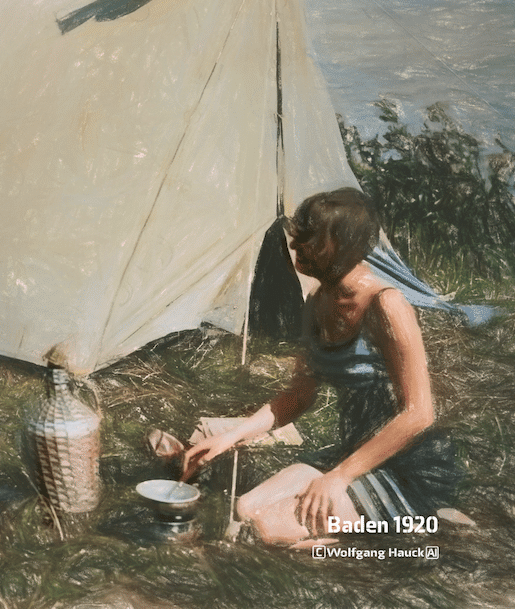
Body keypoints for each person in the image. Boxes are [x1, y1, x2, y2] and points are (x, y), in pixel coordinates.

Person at [182, 188, 462, 546]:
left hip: (407, 466)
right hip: (354, 450)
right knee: (248, 509)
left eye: (311, 241)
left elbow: (420, 414)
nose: (298, 249)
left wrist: (339, 477)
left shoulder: (387, 305)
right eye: (299, 240)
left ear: (345, 245)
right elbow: (298, 396)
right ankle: (339, 531)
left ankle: (402, 527)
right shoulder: (316, 303)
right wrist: (230, 436)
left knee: (267, 529)